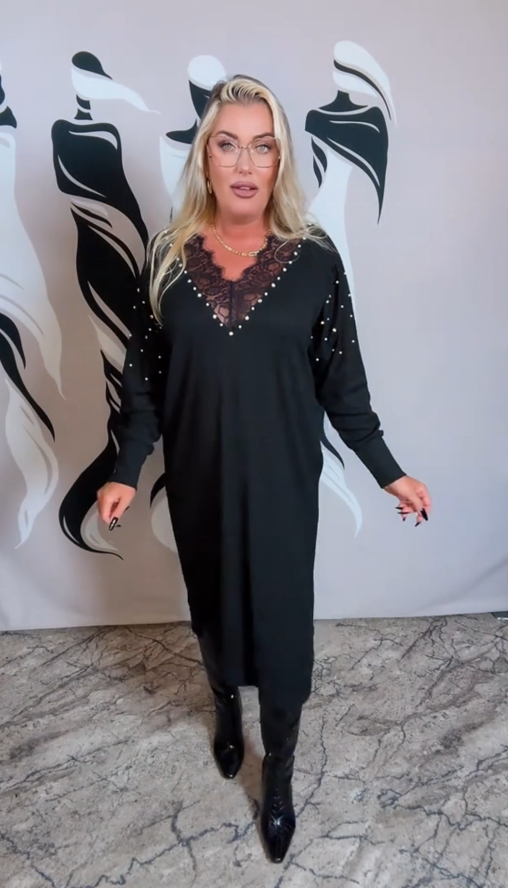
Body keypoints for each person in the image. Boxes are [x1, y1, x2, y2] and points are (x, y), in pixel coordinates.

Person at [97, 74, 431, 864]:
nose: (245, 164)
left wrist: (388, 470)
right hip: (200, 480)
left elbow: (343, 384)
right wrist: (125, 467)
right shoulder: (167, 258)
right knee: (212, 606)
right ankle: (224, 707)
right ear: (205, 158)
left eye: (263, 146)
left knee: (282, 631)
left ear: (280, 161)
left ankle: (276, 771)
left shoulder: (315, 262)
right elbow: (144, 380)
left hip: (283, 486)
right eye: (228, 145)